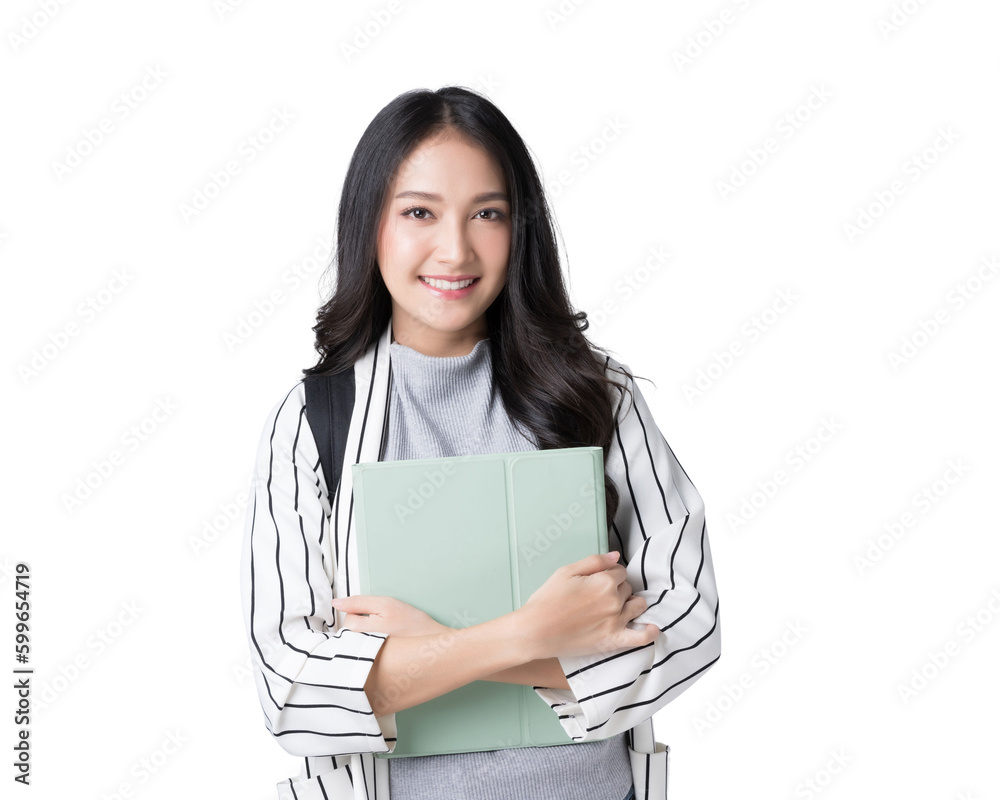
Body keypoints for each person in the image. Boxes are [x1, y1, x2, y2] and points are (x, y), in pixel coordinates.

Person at [240, 86, 721, 800]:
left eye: (487, 214)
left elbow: (689, 622)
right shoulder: (313, 420)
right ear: (369, 225)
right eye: (419, 213)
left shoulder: (597, 395)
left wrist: (426, 648)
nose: (456, 249)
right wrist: (532, 634)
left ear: (519, 227)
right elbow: (294, 691)